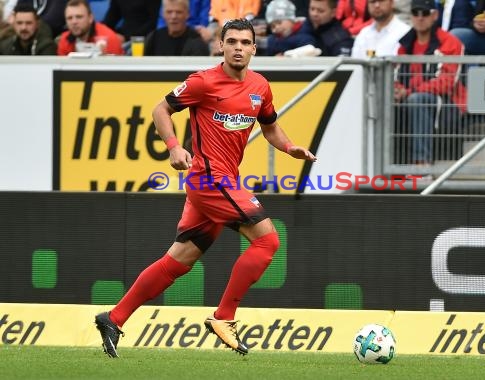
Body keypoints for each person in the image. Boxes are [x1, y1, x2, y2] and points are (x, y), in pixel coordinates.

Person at [94, 18, 317, 358]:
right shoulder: (204, 82)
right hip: (210, 179)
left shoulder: (260, 86)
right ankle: (224, 316)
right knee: (268, 240)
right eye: (232, 42)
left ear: (255, 48)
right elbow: (160, 109)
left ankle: (114, 317)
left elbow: (270, 127)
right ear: (220, 45)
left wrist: (290, 148)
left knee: (178, 261)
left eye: (245, 42)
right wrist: (173, 146)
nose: (239, 47)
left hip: (222, 181)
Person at [393, 0, 466, 165]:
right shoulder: (405, 44)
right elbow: (395, 77)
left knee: (417, 100)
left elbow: (446, 82)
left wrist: (409, 92)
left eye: (425, 13)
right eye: (416, 13)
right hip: (413, 97)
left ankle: (422, 163)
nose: (420, 18)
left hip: (448, 103)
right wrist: (397, 90)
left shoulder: (450, 42)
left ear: (435, 15)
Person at [144, 0, 209, 56]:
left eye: (178, 12)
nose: (174, 17)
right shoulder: (153, 38)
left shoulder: (197, 42)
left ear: (187, 14)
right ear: (163, 14)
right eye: (169, 12)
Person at [58, 0, 124, 56]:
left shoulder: (108, 39)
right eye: (69, 18)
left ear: (90, 18)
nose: (74, 22)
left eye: (79, 17)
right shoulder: (64, 39)